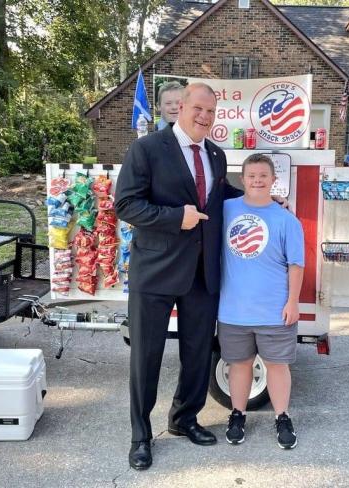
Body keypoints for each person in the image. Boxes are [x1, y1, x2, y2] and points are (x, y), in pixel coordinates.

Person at [115, 82, 243, 471]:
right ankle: (141, 435)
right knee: (147, 356)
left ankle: (184, 418)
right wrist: (176, 218)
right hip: (155, 270)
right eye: (198, 108)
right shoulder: (148, 149)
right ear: (181, 107)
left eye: (211, 111)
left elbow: (217, 196)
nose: (205, 116)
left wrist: (261, 198)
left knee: (198, 353)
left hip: (202, 272)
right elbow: (126, 204)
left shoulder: (216, 155)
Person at [218, 153, 305, 450]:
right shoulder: (225, 210)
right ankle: (237, 415)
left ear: (273, 180)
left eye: (263, 176)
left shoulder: (286, 219)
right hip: (233, 310)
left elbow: (296, 264)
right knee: (239, 365)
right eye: (251, 176)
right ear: (242, 180)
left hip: (274, 310)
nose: (257, 180)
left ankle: (282, 417)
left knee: (277, 366)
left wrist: (293, 302)